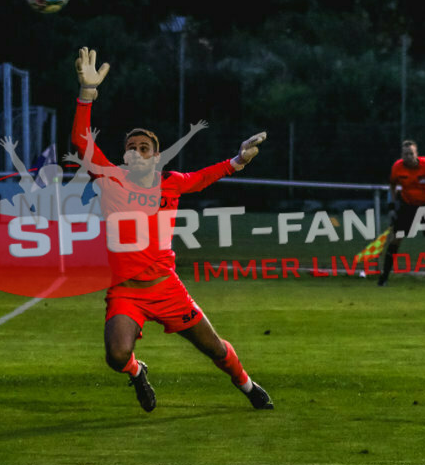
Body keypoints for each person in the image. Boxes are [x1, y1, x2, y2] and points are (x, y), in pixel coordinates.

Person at [69, 47, 273, 413]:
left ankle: (247, 384)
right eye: (130, 147)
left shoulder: (171, 182)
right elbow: (82, 141)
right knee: (116, 356)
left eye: (143, 147)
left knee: (213, 348)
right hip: (126, 292)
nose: (135, 151)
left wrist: (239, 159)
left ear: (155, 156)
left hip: (166, 288)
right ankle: (136, 371)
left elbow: (206, 176)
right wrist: (87, 95)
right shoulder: (110, 178)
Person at [378, 140, 425, 288]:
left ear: (416, 154)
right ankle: (383, 279)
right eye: (406, 154)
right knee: (395, 239)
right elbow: (392, 186)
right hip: (408, 206)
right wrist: (392, 207)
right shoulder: (397, 167)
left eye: (411, 153)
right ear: (402, 155)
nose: (409, 156)